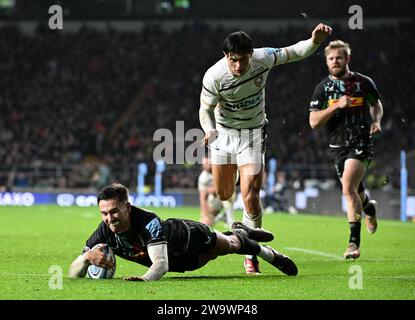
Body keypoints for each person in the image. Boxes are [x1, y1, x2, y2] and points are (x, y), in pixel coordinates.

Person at [199, 23, 332, 273]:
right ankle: (233, 182)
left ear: (252, 54)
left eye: (243, 60)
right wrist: (209, 129)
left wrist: (315, 41)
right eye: (234, 60)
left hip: (253, 132)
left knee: (251, 193)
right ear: (226, 56)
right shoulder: (214, 75)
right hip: (224, 133)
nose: (239, 66)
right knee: (225, 193)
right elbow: (204, 109)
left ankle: (250, 253)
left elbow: (295, 52)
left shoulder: (264, 57)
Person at [68, 183, 298, 281]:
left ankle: (272, 256)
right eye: (104, 213)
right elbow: (72, 272)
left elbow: (160, 264)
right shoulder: (104, 231)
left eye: (114, 212)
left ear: (127, 207)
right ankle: (239, 231)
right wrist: (86, 257)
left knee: (231, 247)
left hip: (188, 237)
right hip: (183, 264)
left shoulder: (149, 223)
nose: (109, 218)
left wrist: (145, 279)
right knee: (218, 252)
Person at [308, 40, 384, 259]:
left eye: (338, 58)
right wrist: (335, 106)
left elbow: (376, 104)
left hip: (361, 142)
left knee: (348, 188)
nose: (335, 62)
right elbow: (313, 121)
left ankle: (353, 244)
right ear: (326, 61)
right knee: (356, 191)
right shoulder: (322, 88)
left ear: (347, 59)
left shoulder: (363, 82)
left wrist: (376, 121)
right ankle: (369, 208)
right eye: (331, 59)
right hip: (337, 147)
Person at [198, 155, 235, 227]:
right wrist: (206, 215)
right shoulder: (203, 177)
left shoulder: (221, 170)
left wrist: (213, 189)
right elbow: (203, 198)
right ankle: (220, 217)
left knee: (228, 195)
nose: (205, 166)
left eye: (207, 163)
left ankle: (230, 221)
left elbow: (228, 185)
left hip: (225, 195)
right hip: (213, 200)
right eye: (204, 164)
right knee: (206, 224)